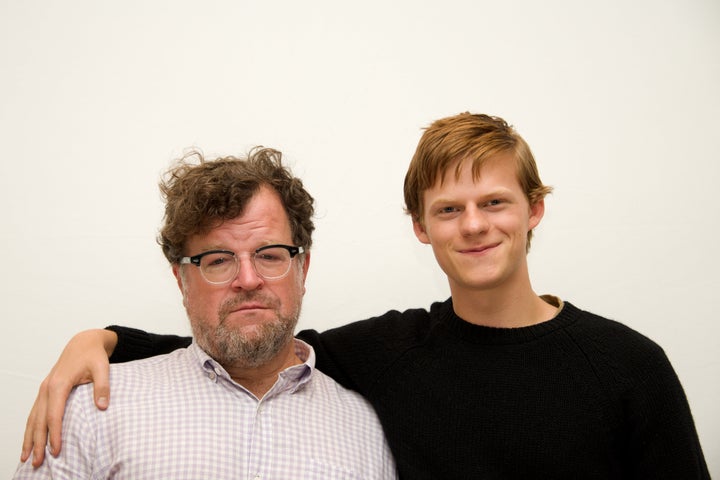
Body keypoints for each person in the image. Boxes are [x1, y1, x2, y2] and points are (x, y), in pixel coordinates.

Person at [21, 114, 710, 479]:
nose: (473, 224)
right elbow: (248, 336)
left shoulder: (628, 366)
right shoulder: (391, 354)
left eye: (494, 201)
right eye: (448, 209)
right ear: (419, 226)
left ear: (534, 210)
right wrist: (104, 340)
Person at [14, 148, 396, 479]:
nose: (248, 279)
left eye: (269, 255)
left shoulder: (365, 430)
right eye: (217, 260)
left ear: (303, 269)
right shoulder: (93, 410)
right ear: (181, 280)